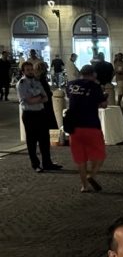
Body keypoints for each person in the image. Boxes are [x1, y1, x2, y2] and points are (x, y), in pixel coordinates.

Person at [65, 64, 108, 192]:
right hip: (91, 125)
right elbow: (103, 105)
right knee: (99, 155)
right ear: (93, 74)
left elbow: (71, 98)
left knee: (80, 158)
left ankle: (84, 186)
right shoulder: (94, 87)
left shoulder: (70, 85)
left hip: (74, 127)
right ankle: (92, 175)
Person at [18, 60, 61, 173]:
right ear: (23, 71)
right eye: (28, 70)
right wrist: (38, 98)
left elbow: (46, 97)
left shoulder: (37, 82)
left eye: (31, 69)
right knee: (31, 141)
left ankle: (47, 163)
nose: (30, 71)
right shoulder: (21, 83)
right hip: (29, 115)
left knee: (44, 140)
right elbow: (28, 100)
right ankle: (35, 164)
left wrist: (36, 98)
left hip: (41, 113)